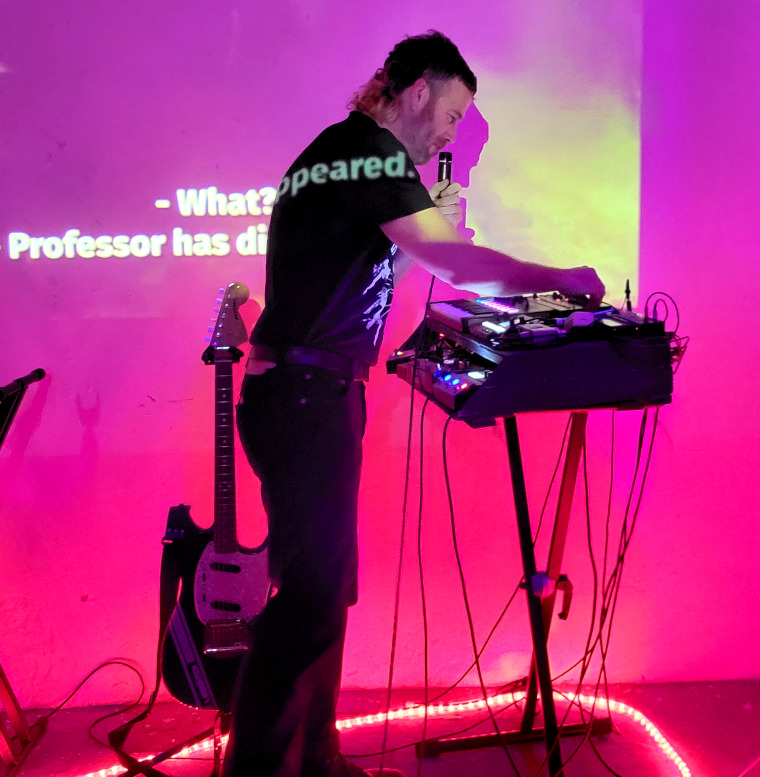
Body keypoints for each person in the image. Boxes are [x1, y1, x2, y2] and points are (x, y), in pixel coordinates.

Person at [223, 31, 605, 777]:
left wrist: (422, 231)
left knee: (323, 592)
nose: (451, 134)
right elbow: (456, 266)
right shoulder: (368, 154)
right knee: (307, 602)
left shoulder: (350, 155)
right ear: (420, 89)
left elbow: (363, 273)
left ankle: (316, 763)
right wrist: (564, 280)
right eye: (453, 114)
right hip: (304, 397)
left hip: (309, 393)